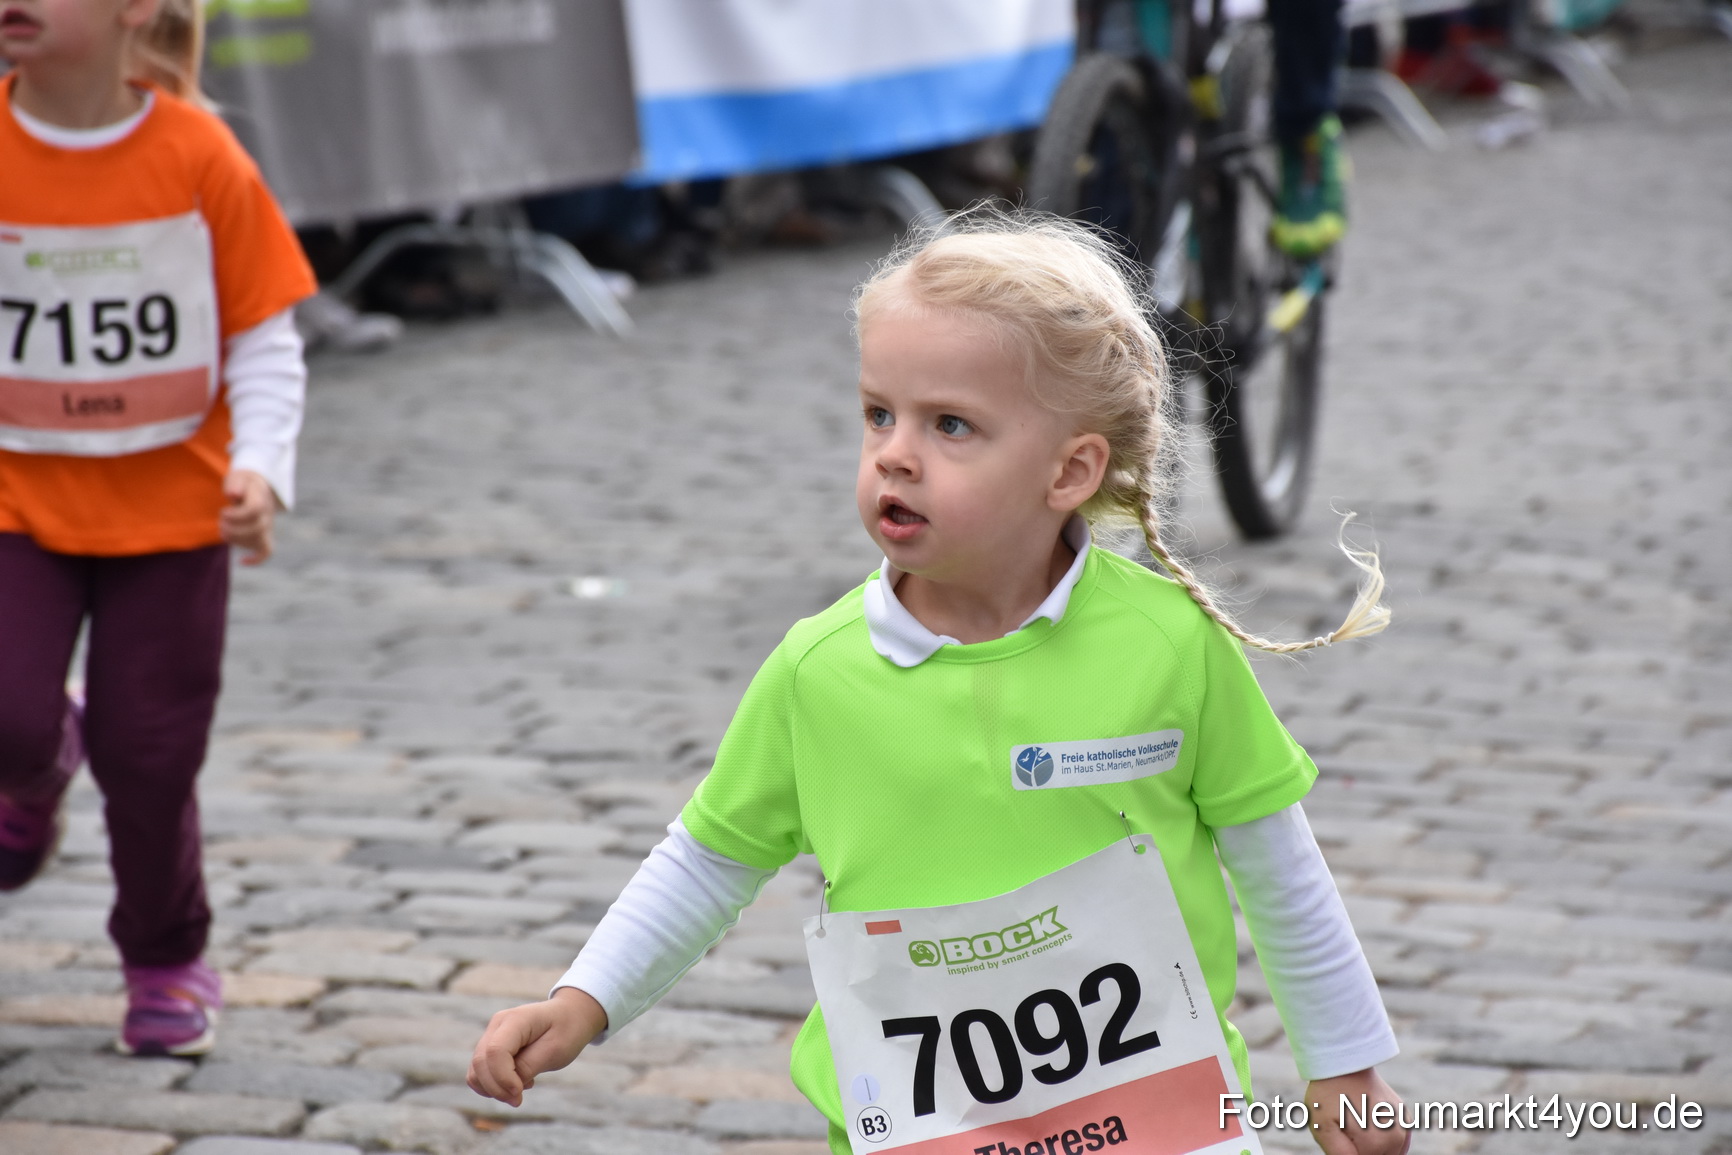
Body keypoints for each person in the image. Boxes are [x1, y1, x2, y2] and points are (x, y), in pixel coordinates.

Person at [468, 211, 1408, 1155]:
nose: (896, 453)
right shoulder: (818, 669)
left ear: (1069, 470)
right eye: (880, 412)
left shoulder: (1170, 644)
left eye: (950, 424)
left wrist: (1344, 1063)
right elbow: (710, 856)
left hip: (1161, 1128)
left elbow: (1278, 864)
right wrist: (584, 1000)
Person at [0, 0, 316, 1056]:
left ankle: (166, 956)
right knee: (6, 714)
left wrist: (261, 469)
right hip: (15, 507)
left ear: (137, 8)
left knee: (150, 753)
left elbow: (265, 339)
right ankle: (36, 760)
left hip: (173, 520)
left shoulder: (200, 156)